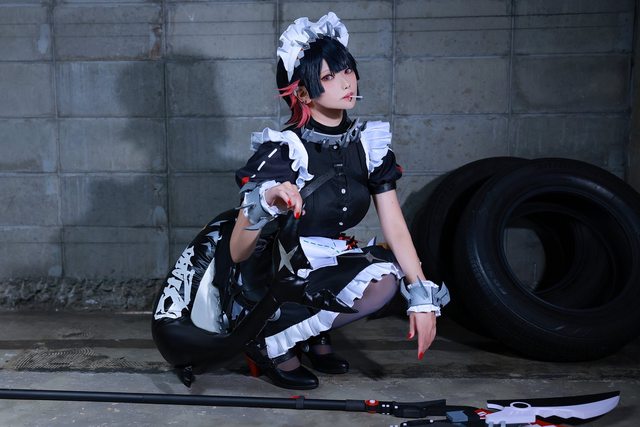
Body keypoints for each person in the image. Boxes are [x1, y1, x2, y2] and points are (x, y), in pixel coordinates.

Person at [151, 12, 449, 391]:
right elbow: (239, 251)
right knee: (372, 281)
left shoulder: (368, 145)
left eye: (347, 70)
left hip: (331, 256)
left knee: (388, 278)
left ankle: (310, 335)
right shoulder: (284, 150)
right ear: (304, 93)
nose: (346, 82)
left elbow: (395, 227)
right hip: (279, 269)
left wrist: (421, 295)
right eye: (329, 77)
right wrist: (267, 201)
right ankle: (269, 343)